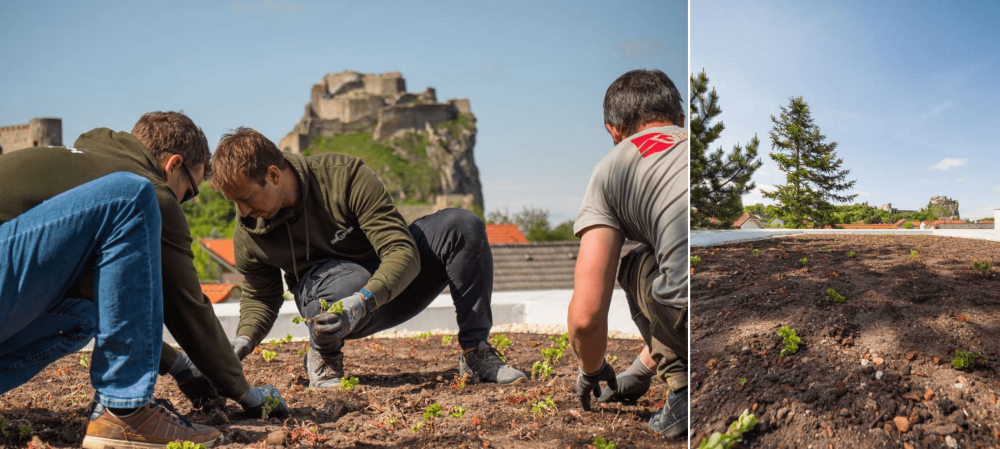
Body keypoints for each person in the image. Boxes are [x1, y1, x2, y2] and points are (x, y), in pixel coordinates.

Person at [209, 127, 526, 388]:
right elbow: (260, 295)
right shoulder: (250, 228)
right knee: (343, 285)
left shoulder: (344, 177)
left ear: (274, 175)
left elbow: (401, 251)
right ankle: (325, 356)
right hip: (333, 310)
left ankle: (476, 352)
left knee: (462, 226)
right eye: (234, 202)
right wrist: (243, 340)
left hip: (385, 289)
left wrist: (363, 300)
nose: (243, 211)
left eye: (247, 198)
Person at [0, 162, 221, 446]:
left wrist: (177, 363)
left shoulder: (79, 161)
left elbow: (120, 313)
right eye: (189, 191)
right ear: (173, 165)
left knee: (84, 316)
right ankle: (125, 411)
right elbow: (189, 304)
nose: (186, 202)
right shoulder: (128, 176)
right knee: (130, 195)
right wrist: (244, 393)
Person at [567, 69, 689, 438]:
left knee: (636, 261)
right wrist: (641, 369)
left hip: (694, 321)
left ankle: (685, 391)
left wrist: (591, 370)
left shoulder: (612, 167)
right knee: (660, 248)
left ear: (613, 131)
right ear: (681, 120)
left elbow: (586, 317)